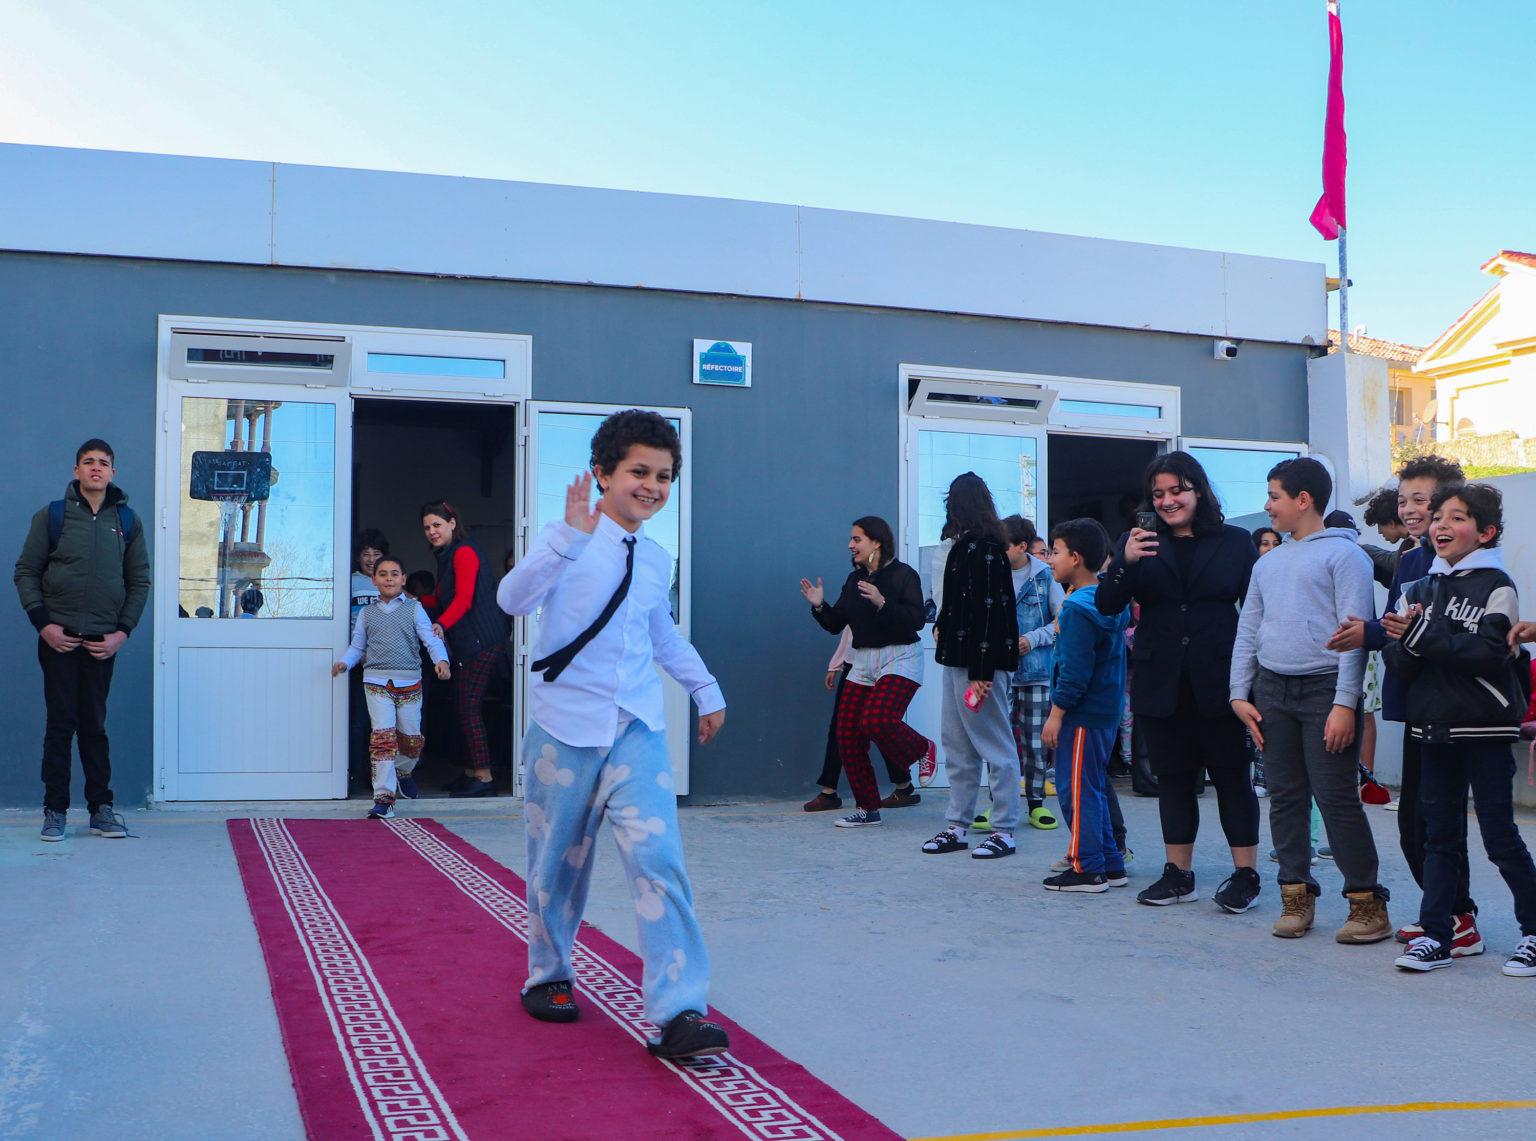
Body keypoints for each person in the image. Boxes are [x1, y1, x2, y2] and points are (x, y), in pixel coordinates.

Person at [496, 408, 730, 1059]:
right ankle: (549, 974)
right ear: (602, 473)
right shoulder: (564, 536)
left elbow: (662, 635)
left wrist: (705, 689)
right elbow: (511, 600)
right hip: (562, 732)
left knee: (661, 862)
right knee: (557, 865)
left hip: (636, 731)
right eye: (638, 471)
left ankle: (681, 1008)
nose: (652, 485)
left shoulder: (656, 558)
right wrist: (565, 541)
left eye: (663, 475)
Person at [1230, 457, 1391, 943]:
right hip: (1272, 692)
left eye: (1274, 495)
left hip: (1325, 690)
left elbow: (1353, 635)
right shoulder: (1268, 561)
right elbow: (1248, 629)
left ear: (1304, 500)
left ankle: (1367, 904)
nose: (1266, 505)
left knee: (1337, 799)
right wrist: (1240, 693)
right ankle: (1296, 898)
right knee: (1285, 798)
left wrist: (1345, 703)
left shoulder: (1346, 557)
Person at [1096, 451, 1262, 913]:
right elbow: (1108, 604)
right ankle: (1178, 875)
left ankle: (1246, 874)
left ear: (1199, 491)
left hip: (1222, 677)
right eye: (1159, 494)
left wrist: (1253, 681)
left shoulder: (1236, 542)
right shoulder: (1139, 543)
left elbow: (1256, 611)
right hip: (1161, 678)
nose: (1168, 501)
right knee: (1173, 779)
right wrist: (1123, 561)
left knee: (1232, 778)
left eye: (1178, 490)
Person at [1328, 456, 1481, 950]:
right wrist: (1371, 633)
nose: (1412, 511)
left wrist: (1371, 632)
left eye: (1422, 501)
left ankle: (1459, 918)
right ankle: (1444, 912)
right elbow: (1399, 622)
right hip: (1418, 705)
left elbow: (1422, 627)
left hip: (1454, 710)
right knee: (1415, 822)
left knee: (1442, 820)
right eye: (1404, 500)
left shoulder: (1471, 563)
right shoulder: (1412, 559)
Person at [1383, 484, 1536, 977]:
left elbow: (1490, 654)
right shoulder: (1417, 587)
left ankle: (1532, 932)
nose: (1442, 525)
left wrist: (1422, 636)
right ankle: (1437, 936)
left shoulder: (1498, 585)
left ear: (1486, 532)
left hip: (1485, 730)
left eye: (1459, 517)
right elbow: (1396, 659)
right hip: (1433, 728)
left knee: (1499, 838)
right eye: (1438, 517)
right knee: (1440, 839)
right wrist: (1410, 643)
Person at [14, 438, 150, 841]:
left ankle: (101, 810)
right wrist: (44, 625)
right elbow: (26, 572)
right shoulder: (52, 517)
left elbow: (138, 581)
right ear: (76, 471)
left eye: (103, 463)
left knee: (94, 724)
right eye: (88, 462)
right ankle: (54, 811)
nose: (95, 468)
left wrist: (121, 633)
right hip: (59, 638)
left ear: (112, 473)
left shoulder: (127, 521)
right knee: (61, 723)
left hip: (102, 642)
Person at [801, 516, 933, 826]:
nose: (850, 545)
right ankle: (867, 809)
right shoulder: (853, 579)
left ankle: (924, 748)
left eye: (856, 539)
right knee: (847, 734)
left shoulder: (904, 575)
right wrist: (819, 606)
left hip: (899, 657)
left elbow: (915, 620)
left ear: (877, 542)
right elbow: (836, 624)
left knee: (877, 720)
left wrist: (882, 602)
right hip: (862, 660)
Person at [919, 473, 1020, 860]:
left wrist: (983, 669)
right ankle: (957, 825)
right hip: (960, 658)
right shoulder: (963, 546)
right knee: (957, 744)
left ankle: (1004, 830)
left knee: (995, 745)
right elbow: (959, 605)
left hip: (981, 663)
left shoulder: (988, 547)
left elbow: (990, 610)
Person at [1041, 518, 1131, 892]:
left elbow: (1075, 672)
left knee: (1075, 791)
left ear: (1075, 558)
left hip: (1080, 714)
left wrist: (1056, 715)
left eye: (1056, 552)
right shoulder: (1109, 600)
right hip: (1105, 712)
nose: (1049, 559)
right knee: (1091, 787)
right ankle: (1110, 864)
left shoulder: (1077, 608)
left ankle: (1087, 868)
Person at [333, 556, 451, 818]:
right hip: (375, 681)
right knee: (383, 738)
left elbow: (431, 640)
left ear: (403, 580)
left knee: (411, 739)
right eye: (383, 574)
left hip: (410, 681)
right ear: (373, 580)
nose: (388, 579)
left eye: (394, 574)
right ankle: (384, 799)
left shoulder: (414, 608)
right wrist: (345, 663)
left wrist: (441, 661)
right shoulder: (367, 613)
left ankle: (404, 770)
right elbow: (358, 647)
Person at [421, 500, 511, 797]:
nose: (432, 531)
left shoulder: (464, 552)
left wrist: (442, 625)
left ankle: (485, 779)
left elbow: (464, 599)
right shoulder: (446, 557)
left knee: (469, 708)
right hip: (469, 643)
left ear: (452, 523)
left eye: (437, 525)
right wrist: (411, 600)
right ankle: (472, 772)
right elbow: (441, 599)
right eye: (427, 527)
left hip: (482, 640)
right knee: (462, 706)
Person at [802, 626, 917, 812]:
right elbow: (848, 627)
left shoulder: (882, 596)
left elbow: (910, 619)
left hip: (882, 663)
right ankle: (829, 790)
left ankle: (903, 783)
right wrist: (837, 662)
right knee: (842, 726)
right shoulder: (852, 597)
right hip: (855, 664)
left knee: (878, 723)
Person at [1003, 514, 1062, 830]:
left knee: (1036, 743)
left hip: (1036, 673)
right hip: (999, 673)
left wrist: (1032, 639)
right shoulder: (992, 573)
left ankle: (1036, 804)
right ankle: (1001, 804)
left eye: (1004, 545)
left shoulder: (1045, 575)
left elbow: (1061, 620)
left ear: (1021, 546)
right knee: (999, 743)